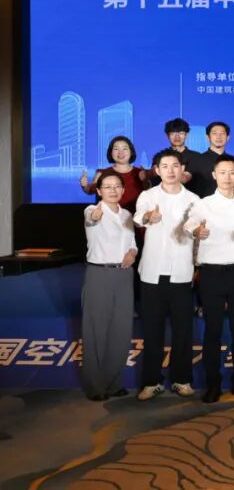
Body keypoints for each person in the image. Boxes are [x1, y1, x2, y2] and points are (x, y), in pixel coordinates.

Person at [182, 154, 234, 403]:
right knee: (212, 330)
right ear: (214, 175)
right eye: (222, 172)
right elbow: (189, 225)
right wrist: (197, 230)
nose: (227, 177)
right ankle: (213, 384)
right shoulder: (203, 204)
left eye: (232, 172)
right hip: (211, 272)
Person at [134, 149, 199, 401]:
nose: (170, 171)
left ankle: (182, 379)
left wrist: (197, 264)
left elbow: (197, 233)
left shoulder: (194, 199)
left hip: (182, 272)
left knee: (183, 330)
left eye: (175, 166)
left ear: (182, 169)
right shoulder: (148, 196)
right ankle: (152, 381)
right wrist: (149, 216)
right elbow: (138, 218)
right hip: (152, 272)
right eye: (165, 166)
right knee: (152, 330)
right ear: (157, 170)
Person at [81, 170, 138, 401]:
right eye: (107, 186)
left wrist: (132, 253)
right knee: (96, 331)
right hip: (100, 274)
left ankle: (113, 383)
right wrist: (95, 215)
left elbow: (132, 243)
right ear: (98, 191)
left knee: (121, 330)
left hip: (124, 275)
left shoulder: (127, 214)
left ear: (123, 190)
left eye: (117, 186)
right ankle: (96, 386)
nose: (113, 190)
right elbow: (91, 218)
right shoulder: (92, 210)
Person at [79, 135, 147, 215]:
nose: (120, 152)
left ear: (131, 152)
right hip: (109, 219)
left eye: (125, 149)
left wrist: (146, 180)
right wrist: (84, 185)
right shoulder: (102, 173)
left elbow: (149, 194)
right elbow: (90, 190)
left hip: (136, 218)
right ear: (111, 153)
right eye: (116, 149)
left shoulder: (141, 173)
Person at [185, 122, 234, 198]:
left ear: (228, 137)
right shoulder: (196, 159)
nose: (218, 137)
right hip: (203, 203)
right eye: (214, 133)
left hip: (230, 203)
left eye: (222, 133)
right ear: (208, 137)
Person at [148, 117, 197, 187]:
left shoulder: (196, 157)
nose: (177, 137)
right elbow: (153, 173)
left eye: (181, 133)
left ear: (186, 135)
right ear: (167, 136)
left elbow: (184, 179)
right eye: (173, 133)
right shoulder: (159, 156)